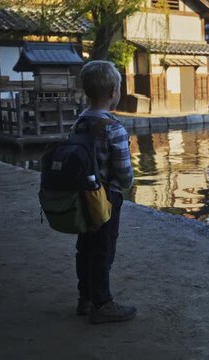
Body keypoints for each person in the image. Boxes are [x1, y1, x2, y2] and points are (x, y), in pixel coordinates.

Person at [72, 60, 136, 324]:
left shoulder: (79, 122)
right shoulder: (113, 127)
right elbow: (124, 172)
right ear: (113, 92)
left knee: (85, 246)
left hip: (82, 195)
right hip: (106, 198)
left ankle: (85, 298)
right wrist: (127, 184)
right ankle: (103, 303)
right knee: (104, 247)